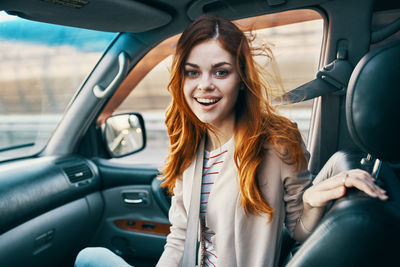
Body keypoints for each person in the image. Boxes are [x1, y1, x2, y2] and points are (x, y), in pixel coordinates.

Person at [75, 15, 387, 267]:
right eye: (192, 72)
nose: (204, 86)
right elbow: (181, 238)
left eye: (220, 72)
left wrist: (310, 199)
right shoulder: (187, 144)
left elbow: (298, 231)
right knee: (88, 256)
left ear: (241, 79)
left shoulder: (277, 142)